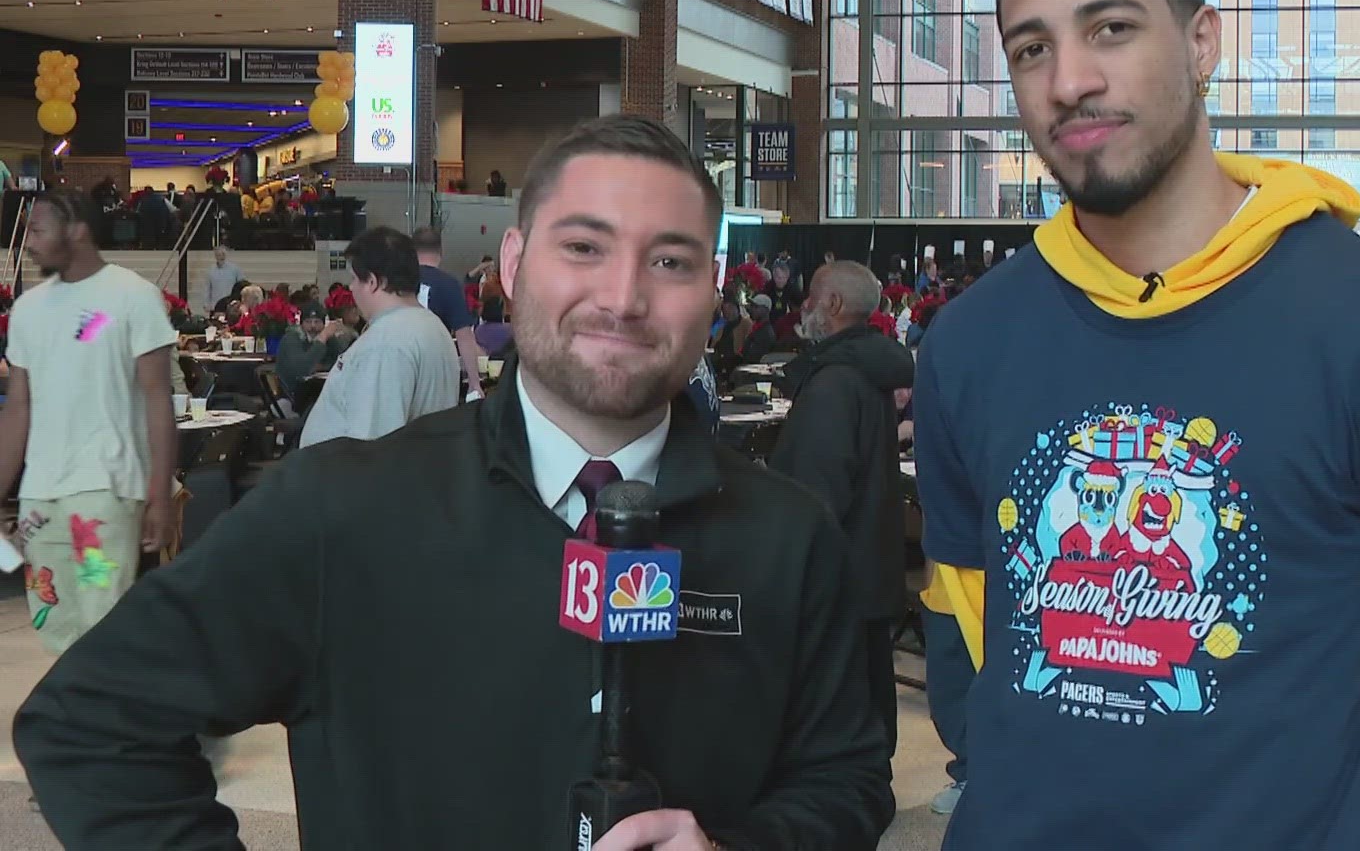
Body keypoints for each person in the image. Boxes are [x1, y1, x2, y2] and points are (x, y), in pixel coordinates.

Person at [13, 115, 895, 849]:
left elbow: (844, 782)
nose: (623, 296)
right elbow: (91, 724)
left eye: (670, 262)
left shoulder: (787, 537)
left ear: (712, 290)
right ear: (512, 265)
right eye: (584, 246)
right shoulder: (345, 511)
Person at [912, 0, 1360, 850]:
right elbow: (981, 636)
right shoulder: (970, 343)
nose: (1069, 80)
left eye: (1110, 28)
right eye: (1030, 49)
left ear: (1203, 41)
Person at [0, 188, 178, 654]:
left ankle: (113, 721)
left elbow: (160, 401)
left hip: (105, 492)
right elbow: (18, 410)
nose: (29, 243)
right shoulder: (27, 311)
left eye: (37, 230)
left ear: (76, 229)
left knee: (103, 617)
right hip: (40, 499)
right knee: (51, 615)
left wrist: (159, 497)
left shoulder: (133, 298)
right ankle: (84, 715)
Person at [768, 262, 914, 751]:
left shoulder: (834, 382)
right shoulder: (869, 370)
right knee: (871, 684)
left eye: (811, 296)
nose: (803, 307)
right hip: (870, 560)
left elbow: (818, 490)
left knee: (843, 697)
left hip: (838, 569)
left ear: (831, 306)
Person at [298, 227, 459, 448]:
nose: (352, 288)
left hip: (347, 478)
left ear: (373, 282)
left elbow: (371, 447)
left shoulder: (385, 343)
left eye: (355, 279)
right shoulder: (434, 327)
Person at [410, 227, 488, 402]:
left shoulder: (398, 281)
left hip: (402, 364)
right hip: (437, 365)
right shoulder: (449, 284)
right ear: (440, 252)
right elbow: (464, 335)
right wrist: (474, 383)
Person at [274, 304, 352, 384]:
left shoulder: (328, 338)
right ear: (301, 324)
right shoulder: (291, 338)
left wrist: (321, 367)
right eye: (308, 322)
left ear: (323, 324)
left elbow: (341, 362)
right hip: (292, 389)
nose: (313, 326)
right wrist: (323, 337)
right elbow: (302, 368)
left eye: (317, 322)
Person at [199, 244, 242, 315]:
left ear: (225, 255)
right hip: (215, 306)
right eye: (218, 255)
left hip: (231, 305)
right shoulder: (210, 271)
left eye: (222, 254)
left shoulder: (235, 269)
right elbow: (207, 289)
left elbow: (240, 285)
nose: (221, 256)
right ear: (215, 256)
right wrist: (206, 304)